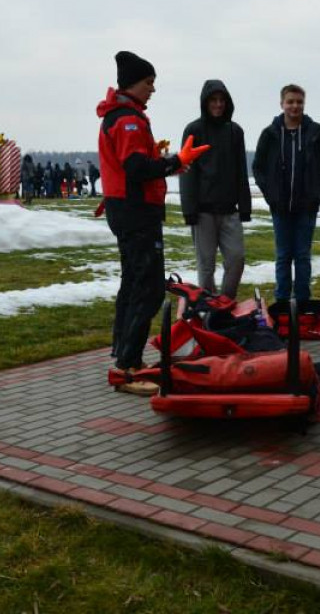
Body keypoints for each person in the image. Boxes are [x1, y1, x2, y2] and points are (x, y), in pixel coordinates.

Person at [97, 50, 209, 394]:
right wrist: (174, 162)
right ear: (133, 84)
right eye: (149, 83)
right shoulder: (128, 119)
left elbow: (131, 163)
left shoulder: (119, 116)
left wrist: (160, 160)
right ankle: (128, 367)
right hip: (136, 212)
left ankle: (123, 355)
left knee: (132, 282)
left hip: (126, 209)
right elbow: (134, 167)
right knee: (147, 288)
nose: (153, 90)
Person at [252, 83, 320, 303]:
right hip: (280, 207)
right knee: (283, 256)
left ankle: (302, 301)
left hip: (306, 207)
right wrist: (270, 195)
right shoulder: (270, 134)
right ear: (282, 104)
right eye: (290, 101)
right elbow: (258, 168)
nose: (294, 106)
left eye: (299, 102)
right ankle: (281, 302)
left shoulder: (316, 132)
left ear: (304, 104)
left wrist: (316, 193)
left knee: (302, 256)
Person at [179, 80, 253, 298]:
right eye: (213, 100)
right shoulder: (193, 130)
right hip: (203, 212)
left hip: (230, 210)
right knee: (206, 266)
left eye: (222, 100)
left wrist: (245, 206)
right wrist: (189, 209)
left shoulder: (235, 132)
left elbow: (241, 170)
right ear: (205, 102)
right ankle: (208, 308)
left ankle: (226, 302)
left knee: (236, 259)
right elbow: (187, 171)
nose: (218, 104)